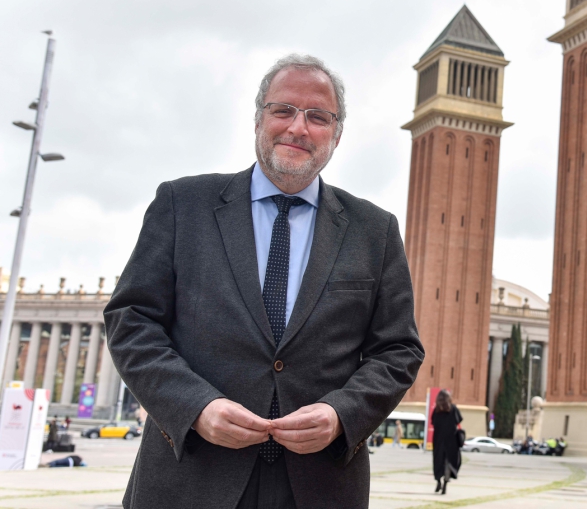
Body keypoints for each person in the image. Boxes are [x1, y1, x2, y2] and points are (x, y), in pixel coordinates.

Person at [104, 54, 425, 509]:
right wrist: (195, 407)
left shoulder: (375, 230)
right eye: (283, 110)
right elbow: (131, 320)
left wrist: (341, 414)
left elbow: (398, 349)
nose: (298, 127)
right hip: (191, 477)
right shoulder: (182, 204)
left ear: (336, 134)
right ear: (259, 119)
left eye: (318, 116)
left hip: (319, 485)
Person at [431, 389, 462, 495]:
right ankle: (445, 484)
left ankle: (438, 481)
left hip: (438, 441)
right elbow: (458, 422)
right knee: (448, 463)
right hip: (451, 441)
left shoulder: (436, 410)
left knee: (438, 462)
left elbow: (433, 423)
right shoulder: (453, 409)